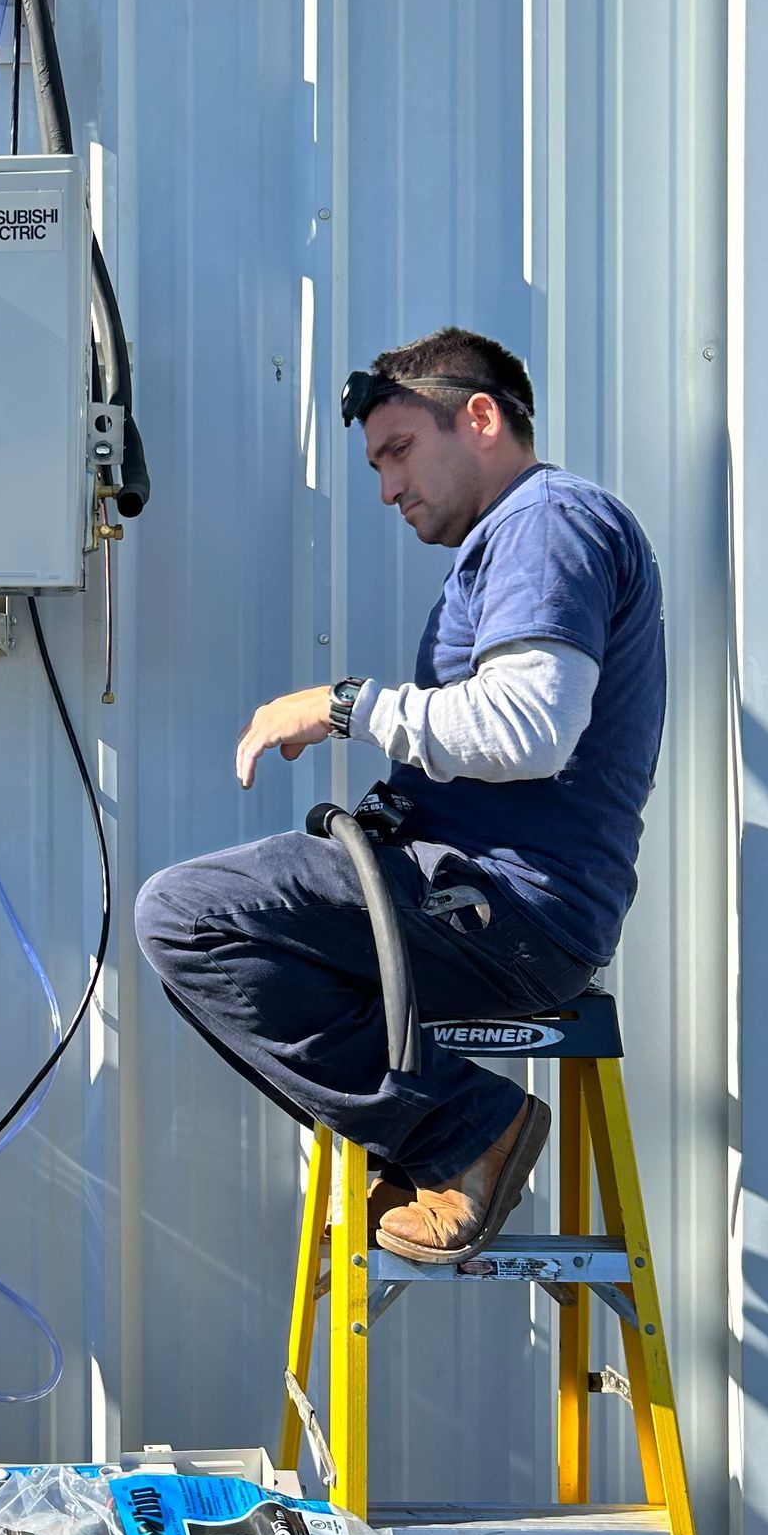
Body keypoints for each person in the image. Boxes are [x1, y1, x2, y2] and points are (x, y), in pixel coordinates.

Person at [134, 327, 665, 1262]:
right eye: (378, 464)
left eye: (400, 451)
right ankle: (431, 1140)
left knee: (185, 917)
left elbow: (529, 729)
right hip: (485, 901)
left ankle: (468, 1134)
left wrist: (345, 706)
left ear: (481, 418)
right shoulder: (517, 539)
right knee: (217, 944)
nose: (387, 487)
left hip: (505, 908)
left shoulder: (546, 524)